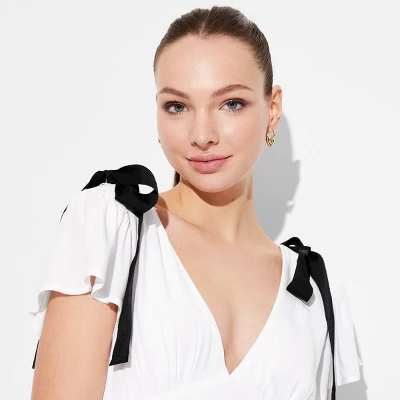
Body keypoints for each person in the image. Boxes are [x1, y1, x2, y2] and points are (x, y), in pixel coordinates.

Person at [29, 5, 362, 400]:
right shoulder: (111, 226)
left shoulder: (312, 293)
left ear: (272, 110)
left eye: (231, 103)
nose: (202, 135)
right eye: (178, 106)